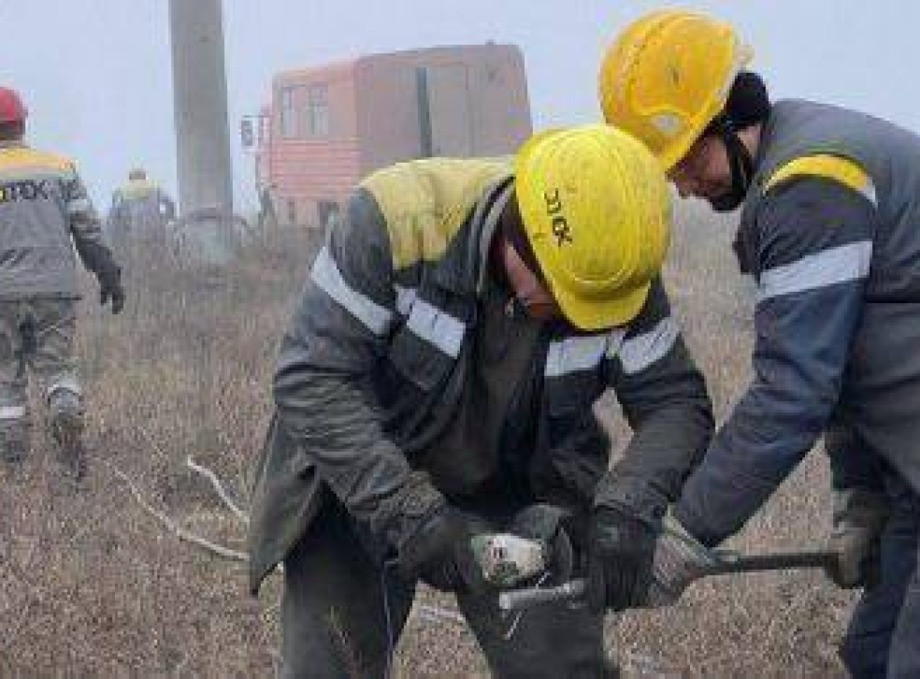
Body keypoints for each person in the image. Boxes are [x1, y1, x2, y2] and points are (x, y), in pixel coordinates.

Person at [247, 124, 713, 678]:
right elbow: (312, 379)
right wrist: (412, 515)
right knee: (331, 668)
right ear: (521, 234)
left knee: (563, 671)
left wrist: (627, 507)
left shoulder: (611, 269)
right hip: (360, 478)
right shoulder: (394, 224)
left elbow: (675, 404)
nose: (572, 315)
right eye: (561, 295)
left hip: (525, 489)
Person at [597, 10, 920, 678]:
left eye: (687, 158)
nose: (684, 185)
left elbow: (793, 392)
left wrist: (686, 530)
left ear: (728, 117)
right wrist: (861, 497)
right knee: (871, 653)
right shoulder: (796, 169)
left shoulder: (812, 186)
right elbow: (849, 364)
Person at [0, 86, 124, 479]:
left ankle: (15, 465)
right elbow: (85, 227)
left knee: (7, 377)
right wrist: (107, 273)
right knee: (58, 367)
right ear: (22, 123)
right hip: (55, 288)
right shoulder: (58, 167)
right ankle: (66, 416)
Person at [107, 167, 176, 254]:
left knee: (139, 256)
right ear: (144, 177)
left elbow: (114, 215)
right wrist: (167, 218)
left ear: (130, 178)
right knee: (159, 254)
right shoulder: (155, 188)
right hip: (156, 227)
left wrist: (115, 236)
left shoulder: (121, 191)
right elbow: (170, 203)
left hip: (133, 230)